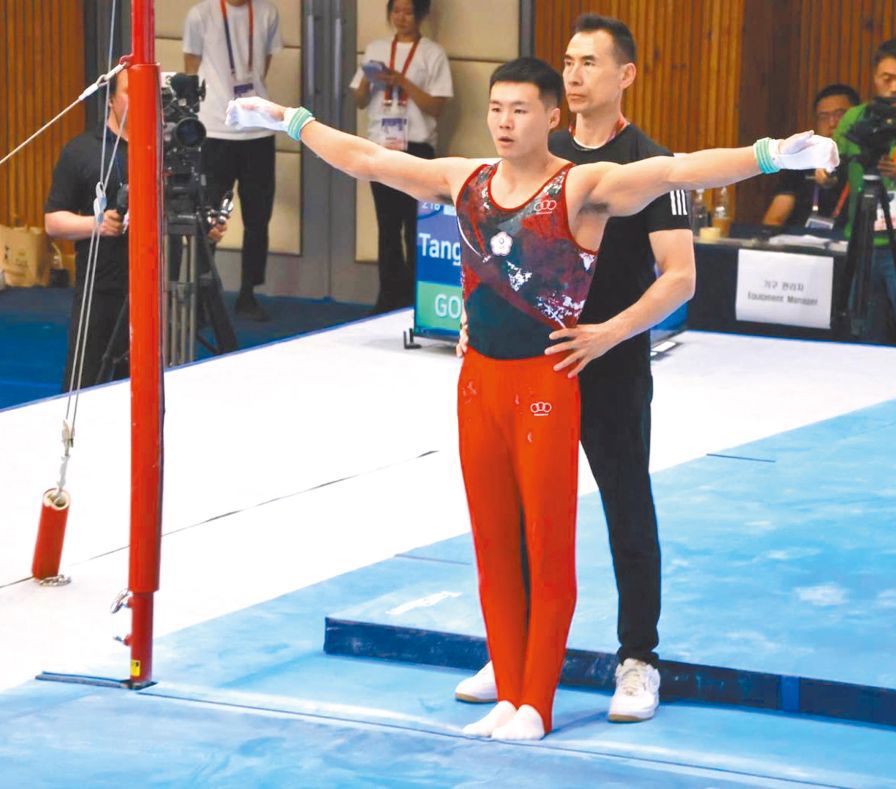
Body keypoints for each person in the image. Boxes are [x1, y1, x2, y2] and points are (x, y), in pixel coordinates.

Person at [226, 59, 837, 740]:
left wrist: (771, 154)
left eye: (520, 110)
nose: (505, 122)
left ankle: (537, 703)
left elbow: (677, 171)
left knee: (548, 550)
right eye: (496, 109)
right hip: (478, 383)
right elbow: (368, 159)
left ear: (551, 117)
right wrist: (289, 119)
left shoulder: (581, 187)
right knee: (494, 546)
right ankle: (509, 691)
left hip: (545, 383)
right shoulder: (465, 179)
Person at [453, 13, 695, 725]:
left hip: (610, 362)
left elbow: (680, 276)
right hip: (532, 365)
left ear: (626, 75)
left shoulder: (650, 161)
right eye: (567, 62)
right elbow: (490, 242)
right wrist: (475, 312)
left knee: (626, 502)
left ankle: (638, 658)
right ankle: (519, 655)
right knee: (522, 515)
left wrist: (608, 334)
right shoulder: (539, 150)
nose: (575, 74)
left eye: (590, 62)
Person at [45, 70, 227, 390]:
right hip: (104, 288)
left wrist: (208, 225)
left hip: (165, 287)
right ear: (111, 100)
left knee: (158, 384)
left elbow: (201, 203)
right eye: (132, 91)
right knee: (86, 383)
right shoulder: (82, 151)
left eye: (150, 92)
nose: (143, 99)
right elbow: (53, 222)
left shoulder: (176, 149)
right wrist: (96, 224)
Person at [350, 0, 452, 314]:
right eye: (396, 11)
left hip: (417, 149)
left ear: (420, 15)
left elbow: (436, 106)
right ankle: (388, 297)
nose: (401, 18)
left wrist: (404, 82)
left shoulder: (432, 53)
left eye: (408, 12)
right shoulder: (376, 48)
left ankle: (416, 300)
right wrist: (368, 80)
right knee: (387, 226)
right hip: (382, 148)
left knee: (416, 227)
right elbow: (359, 100)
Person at [183, 0, 282, 322]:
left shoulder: (267, 13)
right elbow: (191, 67)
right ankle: (201, 297)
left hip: (258, 131)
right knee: (208, 216)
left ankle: (248, 293)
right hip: (214, 130)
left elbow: (263, 65)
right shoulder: (201, 14)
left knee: (258, 218)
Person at [834, 38, 896, 345]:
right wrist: (824, 174)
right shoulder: (855, 118)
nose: (894, 87)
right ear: (874, 78)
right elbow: (834, 163)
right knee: (866, 335)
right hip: (862, 242)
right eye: (887, 78)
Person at [762, 83, 859, 227]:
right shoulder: (799, 161)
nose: (832, 123)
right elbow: (774, 219)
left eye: (840, 115)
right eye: (823, 117)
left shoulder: (866, 161)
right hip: (801, 239)